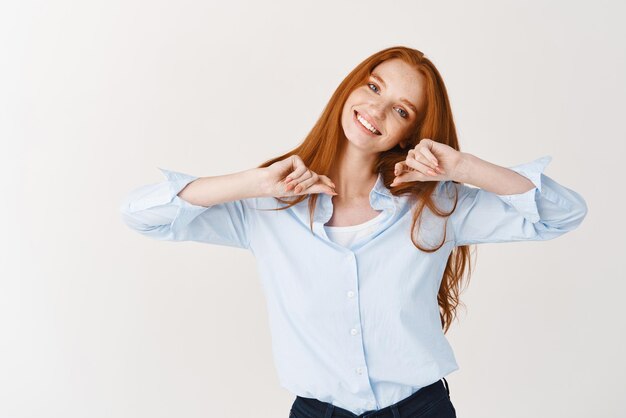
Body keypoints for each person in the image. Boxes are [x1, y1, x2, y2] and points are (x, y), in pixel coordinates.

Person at [119, 46, 588, 418]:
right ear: (349, 89)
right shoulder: (267, 208)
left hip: (420, 410)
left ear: (410, 132)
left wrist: (463, 167)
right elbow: (144, 214)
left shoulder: (438, 206)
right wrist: (254, 182)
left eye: (402, 110)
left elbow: (559, 215)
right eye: (373, 87)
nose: (377, 110)